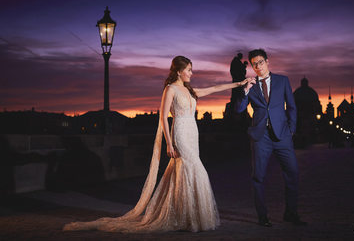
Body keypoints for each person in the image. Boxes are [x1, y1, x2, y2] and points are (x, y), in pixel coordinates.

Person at [63, 55, 251, 233]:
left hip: (193, 133)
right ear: (179, 71)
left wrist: (238, 84)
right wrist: (169, 143)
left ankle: (187, 217)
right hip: (180, 133)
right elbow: (162, 117)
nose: (191, 73)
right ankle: (187, 217)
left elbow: (214, 88)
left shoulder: (190, 90)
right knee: (195, 169)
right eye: (189, 70)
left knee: (184, 172)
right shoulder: (170, 89)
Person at [235, 49, 307, 227]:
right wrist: (245, 90)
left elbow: (291, 106)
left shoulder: (282, 81)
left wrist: (291, 130)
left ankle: (290, 213)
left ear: (267, 62)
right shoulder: (250, 85)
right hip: (261, 137)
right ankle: (262, 217)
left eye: (260, 62)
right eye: (254, 64)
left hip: (282, 136)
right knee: (258, 177)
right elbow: (238, 109)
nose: (258, 66)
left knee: (292, 173)